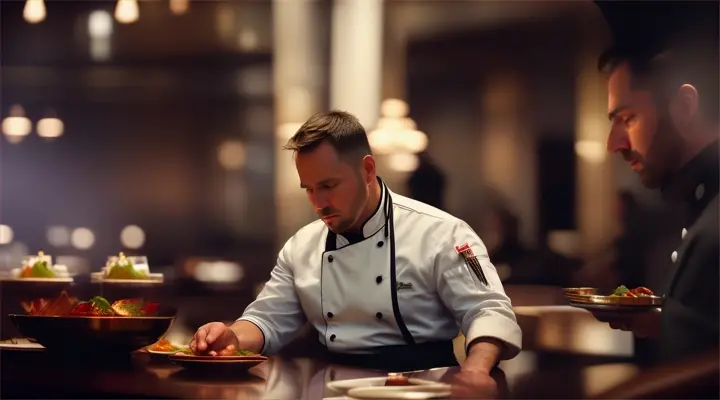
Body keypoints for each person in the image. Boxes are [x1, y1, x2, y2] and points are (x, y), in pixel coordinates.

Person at [189, 111, 522, 379]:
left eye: (329, 185)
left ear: (367, 170)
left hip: (423, 386)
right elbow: (266, 320)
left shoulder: (442, 233)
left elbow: (488, 311)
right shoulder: (301, 247)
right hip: (333, 384)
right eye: (308, 189)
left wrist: (476, 370)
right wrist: (232, 337)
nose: (318, 202)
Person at [594, 37, 719, 363]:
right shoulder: (701, 200)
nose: (614, 144)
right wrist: (663, 317)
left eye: (628, 118)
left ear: (685, 106)